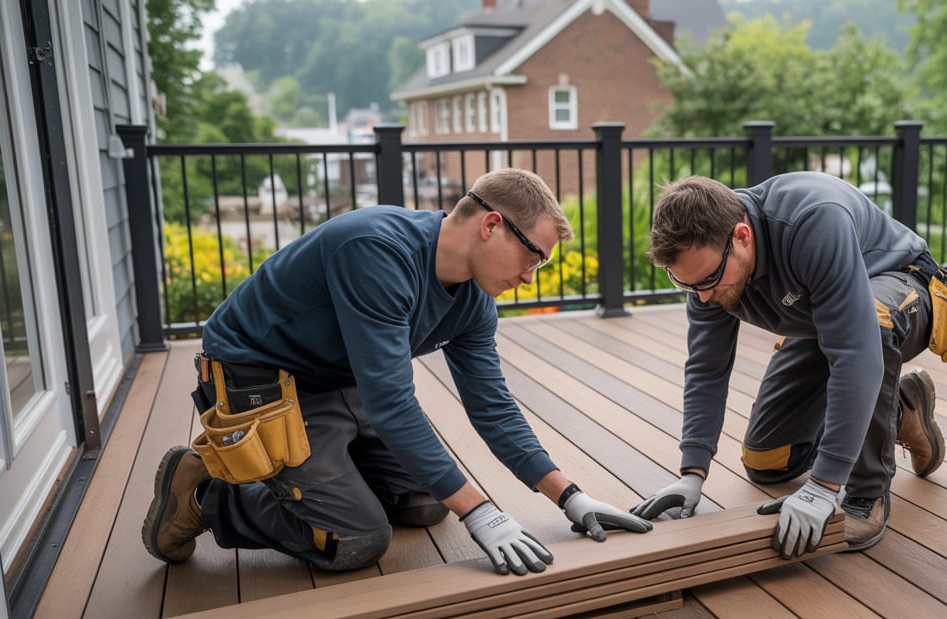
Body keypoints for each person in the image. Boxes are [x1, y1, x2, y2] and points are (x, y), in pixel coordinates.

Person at [143, 168, 652, 576]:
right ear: (491, 225)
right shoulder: (376, 250)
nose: (528, 275)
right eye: (532, 257)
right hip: (258, 378)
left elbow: (492, 408)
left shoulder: (474, 302)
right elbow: (391, 402)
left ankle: (325, 477)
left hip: (340, 377)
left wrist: (570, 496)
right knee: (355, 539)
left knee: (428, 500)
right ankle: (203, 494)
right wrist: (481, 512)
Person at [630, 172, 946, 557]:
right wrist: (692, 472)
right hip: (825, 323)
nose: (705, 296)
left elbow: (855, 352)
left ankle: (867, 492)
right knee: (768, 460)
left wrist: (825, 485)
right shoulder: (706, 273)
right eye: (688, 285)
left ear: (742, 236)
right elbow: (706, 368)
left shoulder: (814, 220)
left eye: (709, 279)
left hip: (902, 285)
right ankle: (900, 407)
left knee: (873, 324)